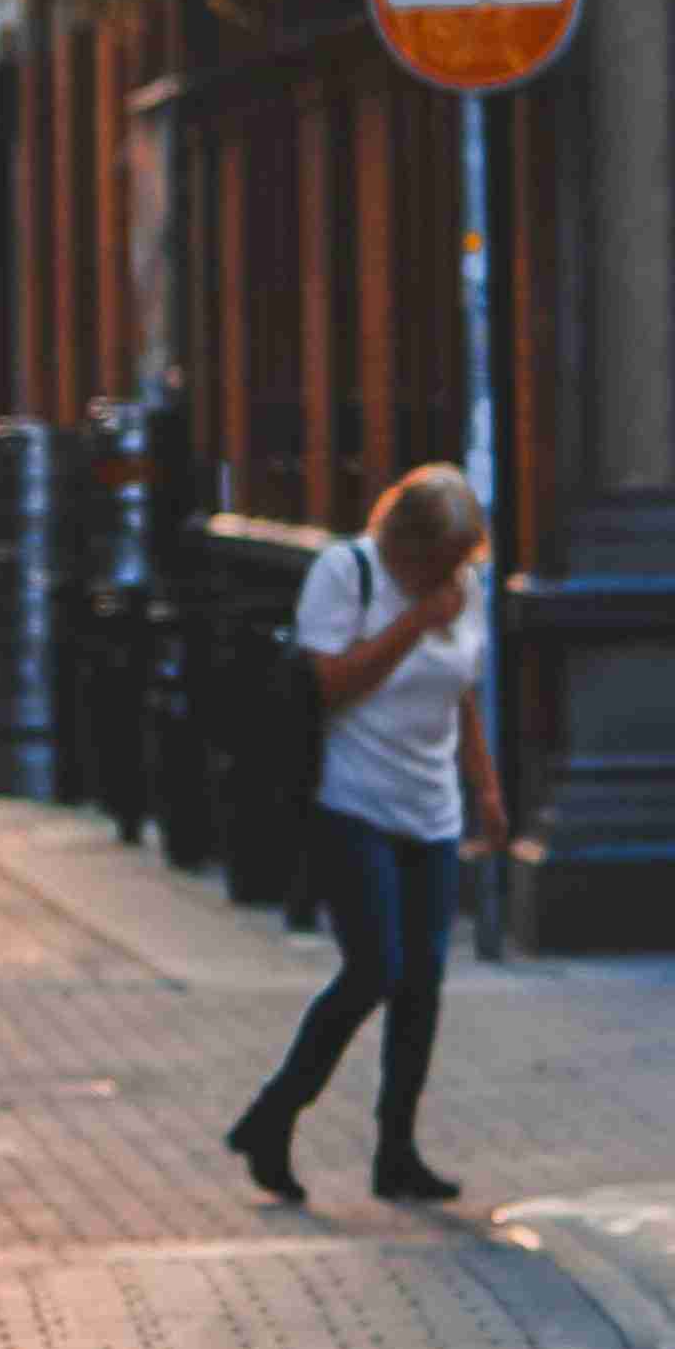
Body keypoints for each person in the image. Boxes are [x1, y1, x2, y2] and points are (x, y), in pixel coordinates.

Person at [225, 462, 509, 1211]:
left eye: (462, 561)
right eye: (441, 559)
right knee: (374, 968)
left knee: (422, 984)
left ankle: (397, 1152)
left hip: (432, 809)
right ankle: (273, 1115)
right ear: (407, 544)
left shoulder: (462, 588)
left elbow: (461, 694)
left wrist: (485, 789)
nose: (453, 575)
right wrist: (414, 623)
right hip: (351, 803)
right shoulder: (345, 574)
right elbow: (332, 686)